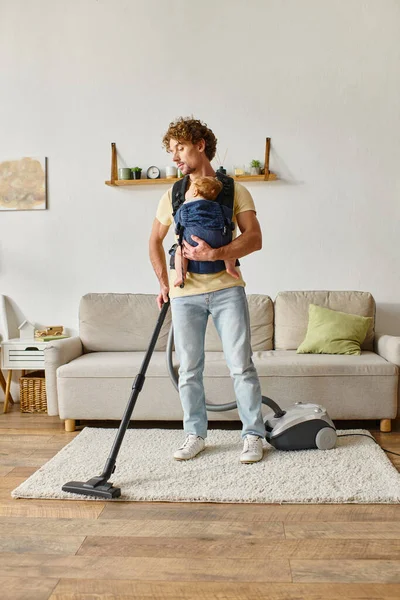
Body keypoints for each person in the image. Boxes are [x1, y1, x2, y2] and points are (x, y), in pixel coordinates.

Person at [149, 116, 265, 463]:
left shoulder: (233, 190)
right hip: (185, 295)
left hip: (227, 289)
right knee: (189, 368)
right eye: (171, 151)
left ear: (200, 145)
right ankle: (195, 434)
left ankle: (253, 435)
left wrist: (217, 253)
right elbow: (154, 240)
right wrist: (162, 281)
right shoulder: (172, 193)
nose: (175, 157)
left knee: (241, 366)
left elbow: (255, 238)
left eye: (180, 148)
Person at [173, 175, 239, 287]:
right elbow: (227, 216)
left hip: (192, 241)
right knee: (229, 249)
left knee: (179, 251)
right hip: (219, 240)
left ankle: (181, 275)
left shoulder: (185, 206)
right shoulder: (218, 206)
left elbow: (177, 221)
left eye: (188, 190)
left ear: (194, 192)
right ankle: (230, 267)